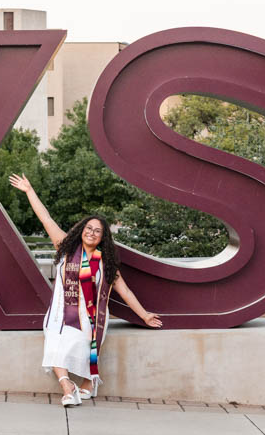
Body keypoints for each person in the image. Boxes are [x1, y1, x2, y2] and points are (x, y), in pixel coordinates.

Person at [9, 173, 162, 407]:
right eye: (88, 228)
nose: (91, 232)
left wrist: (144, 315)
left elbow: (125, 291)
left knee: (80, 346)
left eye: (97, 231)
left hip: (89, 318)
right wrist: (30, 191)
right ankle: (67, 387)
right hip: (59, 313)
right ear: (81, 230)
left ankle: (88, 383)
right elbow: (46, 218)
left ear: (102, 237)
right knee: (54, 344)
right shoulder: (65, 247)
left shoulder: (106, 264)